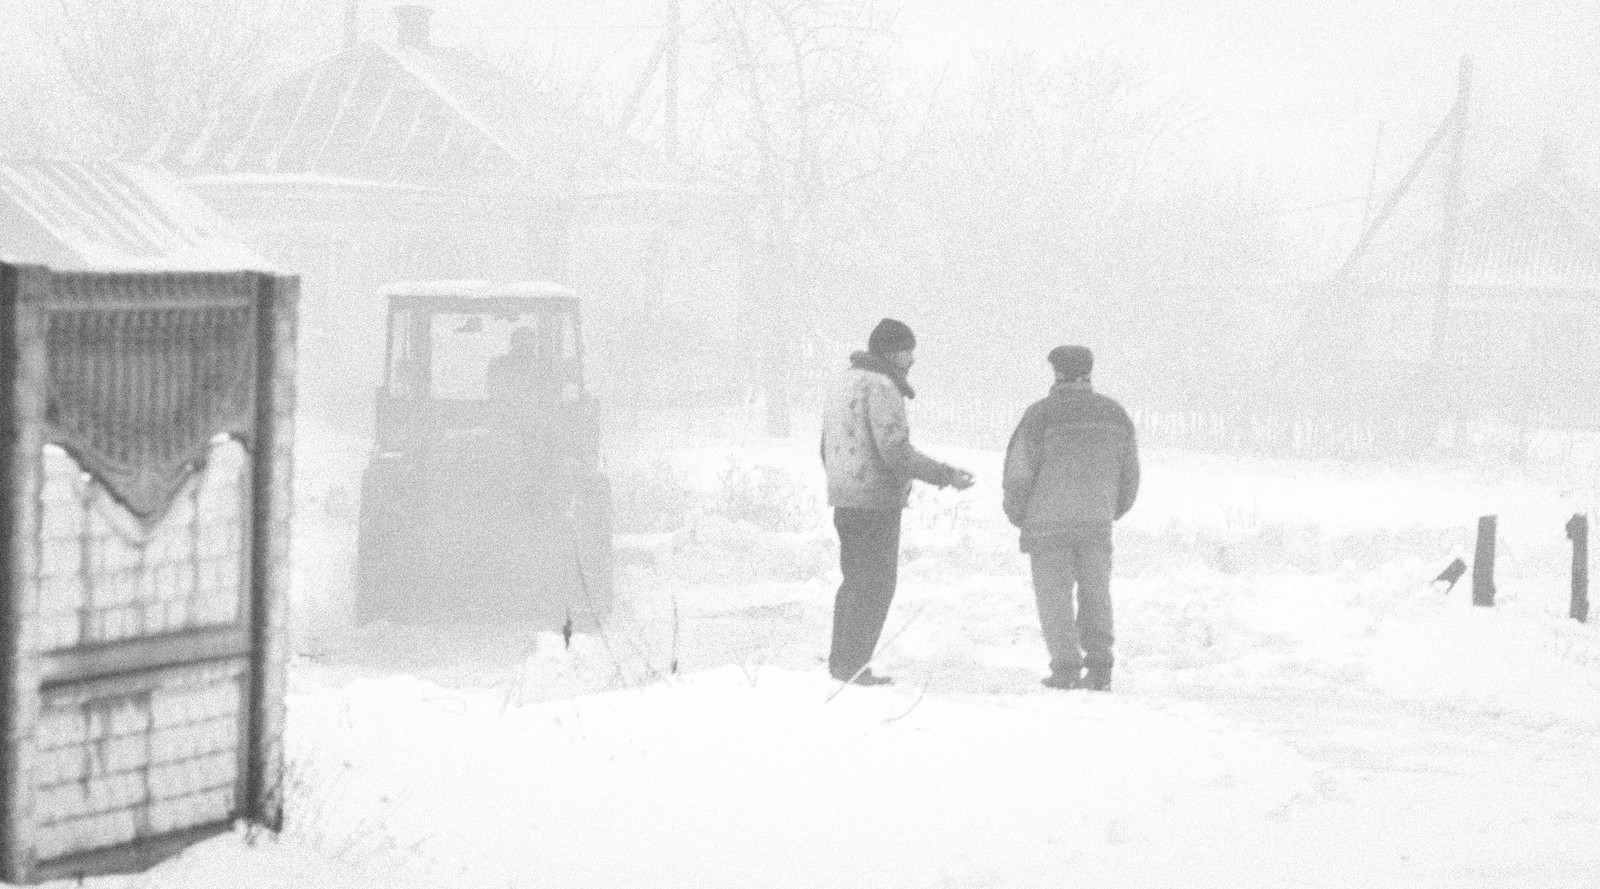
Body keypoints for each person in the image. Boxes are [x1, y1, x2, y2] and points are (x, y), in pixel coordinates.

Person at [820, 318, 974, 685]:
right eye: (907, 349)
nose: (913, 358)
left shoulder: (842, 382)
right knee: (876, 584)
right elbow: (895, 452)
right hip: (875, 501)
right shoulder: (882, 386)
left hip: (845, 498)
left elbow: (825, 446)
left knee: (854, 581)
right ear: (891, 352)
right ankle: (854, 667)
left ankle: (842, 662)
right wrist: (944, 474)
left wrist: (840, 480)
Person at [1002, 345, 1139, 691]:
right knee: (1096, 592)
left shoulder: (1040, 416)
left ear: (1056, 372)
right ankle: (1100, 665)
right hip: (1096, 522)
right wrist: (1109, 510)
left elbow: (1018, 474)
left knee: (1054, 597)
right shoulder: (1115, 415)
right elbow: (1130, 477)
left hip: (1047, 524)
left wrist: (1021, 515)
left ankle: (1065, 667)